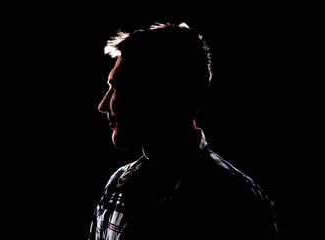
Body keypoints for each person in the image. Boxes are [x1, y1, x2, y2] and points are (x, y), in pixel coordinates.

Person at [89, 22, 279, 240]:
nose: (103, 105)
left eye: (118, 88)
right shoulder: (116, 186)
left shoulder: (239, 202)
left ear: (160, 94)